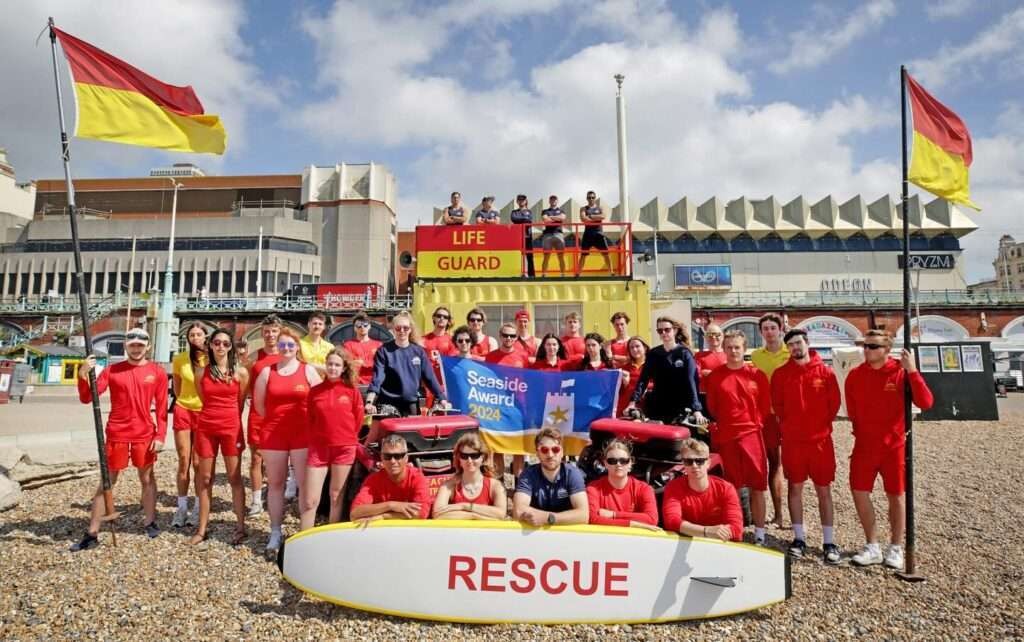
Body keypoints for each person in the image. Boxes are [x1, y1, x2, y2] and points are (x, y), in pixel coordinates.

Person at [72, 328, 167, 551]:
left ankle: (150, 521)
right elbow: (87, 398)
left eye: (140, 345)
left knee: (147, 479)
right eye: (132, 345)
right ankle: (92, 532)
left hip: (144, 433)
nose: (136, 348)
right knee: (107, 482)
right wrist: (82, 374)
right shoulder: (112, 370)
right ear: (126, 346)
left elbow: (162, 409)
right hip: (117, 433)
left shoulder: (158, 372)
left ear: (148, 347)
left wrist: (161, 435)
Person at [845, 330, 934, 569]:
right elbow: (852, 409)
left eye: (873, 346)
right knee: (858, 490)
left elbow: (925, 402)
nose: (867, 350)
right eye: (865, 345)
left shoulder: (901, 373)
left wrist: (913, 370)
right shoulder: (855, 375)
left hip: (893, 446)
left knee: (896, 495)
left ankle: (895, 547)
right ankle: (872, 545)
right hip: (864, 445)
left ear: (886, 349)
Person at [771, 328, 842, 563]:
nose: (795, 348)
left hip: (820, 442)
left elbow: (834, 405)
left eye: (799, 343)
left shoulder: (826, 372)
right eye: (790, 344)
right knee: (795, 489)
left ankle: (829, 542)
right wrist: (792, 428)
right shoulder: (781, 375)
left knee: (824, 491)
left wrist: (817, 426)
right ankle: (799, 538)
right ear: (787, 348)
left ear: (807, 343)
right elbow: (778, 407)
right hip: (793, 443)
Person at [253, 326, 322, 554]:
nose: (286, 348)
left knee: (303, 484)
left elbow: (319, 401)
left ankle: (304, 531)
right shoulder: (267, 372)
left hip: (302, 433)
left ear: (297, 348)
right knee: (275, 484)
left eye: (290, 345)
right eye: (282, 345)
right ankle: (275, 531)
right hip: (274, 433)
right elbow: (260, 405)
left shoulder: (308, 371)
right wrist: (276, 420)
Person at [705, 330, 771, 545]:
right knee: (731, 487)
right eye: (729, 347)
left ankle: (760, 534)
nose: (733, 351)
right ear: (724, 349)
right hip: (727, 436)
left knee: (758, 486)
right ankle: (736, 530)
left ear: (744, 349)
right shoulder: (716, 376)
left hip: (751, 435)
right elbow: (713, 407)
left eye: (737, 347)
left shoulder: (756, 375)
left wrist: (753, 423)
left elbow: (764, 406)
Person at [191, 328, 249, 546]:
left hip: (230, 428)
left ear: (231, 346)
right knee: (205, 479)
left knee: (234, 477)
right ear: (210, 345)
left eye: (226, 343)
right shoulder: (201, 373)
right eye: (217, 343)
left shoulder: (240, 373)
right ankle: (202, 528)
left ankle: (241, 526)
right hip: (206, 427)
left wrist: (230, 418)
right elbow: (202, 397)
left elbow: (241, 401)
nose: (221, 347)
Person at [301, 349, 364, 530]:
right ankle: (305, 536)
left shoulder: (352, 391)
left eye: (337, 365)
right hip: (318, 449)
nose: (333, 368)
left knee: (336, 495)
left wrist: (347, 438)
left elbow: (358, 419)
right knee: (310, 499)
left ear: (344, 368)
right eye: (330, 364)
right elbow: (310, 419)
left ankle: (330, 532)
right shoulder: (315, 391)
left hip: (344, 448)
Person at [365, 311, 448, 418]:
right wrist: (369, 401)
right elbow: (378, 377)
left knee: (413, 434)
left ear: (410, 329)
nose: (402, 331)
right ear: (393, 330)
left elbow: (430, 378)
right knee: (377, 434)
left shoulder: (419, 352)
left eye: (405, 328)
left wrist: (442, 399)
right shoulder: (384, 351)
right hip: (387, 404)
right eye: (398, 328)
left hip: (411, 404)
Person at [625, 316, 705, 424]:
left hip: (680, 406)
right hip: (658, 406)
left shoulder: (684, 353)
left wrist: (696, 410)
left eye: (667, 330)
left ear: (675, 330)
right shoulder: (654, 354)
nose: (664, 333)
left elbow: (692, 382)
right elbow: (643, 380)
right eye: (660, 330)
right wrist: (633, 402)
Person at [662, 438, 744, 541]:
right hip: (686, 542)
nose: (694, 466)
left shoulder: (726, 489)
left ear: (708, 463)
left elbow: (737, 529)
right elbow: (672, 521)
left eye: (699, 461)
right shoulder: (673, 487)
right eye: (689, 461)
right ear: (683, 464)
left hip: (718, 543)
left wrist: (711, 533)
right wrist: (706, 531)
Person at [751, 313, 789, 529]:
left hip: (790, 416)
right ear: (761, 332)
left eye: (772, 328)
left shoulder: (790, 353)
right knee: (774, 463)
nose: (769, 332)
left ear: (780, 329)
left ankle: (796, 515)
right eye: (765, 328)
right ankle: (778, 514)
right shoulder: (756, 357)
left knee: (793, 465)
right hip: (768, 416)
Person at [244, 314, 283, 517]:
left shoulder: (287, 355)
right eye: (267, 331)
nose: (270, 335)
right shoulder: (253, 358)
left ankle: (278, 493)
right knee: (256, 457)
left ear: (280, 332)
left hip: (281, 414)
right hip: (258, 413)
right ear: (262, 333)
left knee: (279, 457)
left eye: (274, 331)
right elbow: (244, 385)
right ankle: (256, 500)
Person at [513, 428, 589, 526]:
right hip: (535, 533)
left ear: (562, 452)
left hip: (566, 533)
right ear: (537, 453)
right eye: (544, 450)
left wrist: (549, 518)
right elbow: (518, 511)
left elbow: (583, 515)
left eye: (555, 449)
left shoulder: (573, 474)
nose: (550, 454)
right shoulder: (528, 475)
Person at [170, 322, 206, 528]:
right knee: (184, 460)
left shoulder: (210, 359)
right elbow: (176, 385)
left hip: (203, 411)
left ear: (205, 337)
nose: (195, 338)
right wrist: (184, 400)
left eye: (198, 334)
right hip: (184, 409)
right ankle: (181, 506)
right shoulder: (179, 359)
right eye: (191, 335)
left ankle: (198, 506)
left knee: (198, 462)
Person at [350, 434, 431, 521]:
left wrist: (383, 516)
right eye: (387, 456)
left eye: (397, 456)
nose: (392, 461)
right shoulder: (373, 480)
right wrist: (391, 505)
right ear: (381, 458)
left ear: (406, 458)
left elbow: (422, 513)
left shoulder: (417, 477)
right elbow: (355, 513)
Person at [432, 433, 507, 520]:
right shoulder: (448, 486)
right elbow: (437, 514)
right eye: (464, 456)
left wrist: (465, 506)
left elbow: (501, 514)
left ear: (483, 458)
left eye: (474, 456)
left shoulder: (495, 486)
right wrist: (473, 516)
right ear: (459, 458)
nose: (469, 461)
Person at [586, 440, 658, 530]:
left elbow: (652, 519)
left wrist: (613, 515)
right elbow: (593, 519)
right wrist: (634, 524)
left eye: (623, 461)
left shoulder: (644, 488)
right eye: (612, 461)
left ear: (630, 463)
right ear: (605, 463)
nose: (618, 464)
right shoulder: (593, 488)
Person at [575, 190, 612, 276]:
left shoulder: (600, 208)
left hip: (599, 233)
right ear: (586, 198)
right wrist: (596, 219)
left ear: (595, 198)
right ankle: (578, 274)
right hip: (588, 234)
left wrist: (590, 216)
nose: (591, 199)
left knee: (606, 253)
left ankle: (611, 272)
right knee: (583, 255)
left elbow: (603, 216)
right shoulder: (583, 208)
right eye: (589, 197)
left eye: (592, 197)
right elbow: (583, 219)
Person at [343, 311, 382, 387]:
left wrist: (362, 363)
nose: (362, 327)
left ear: (369, 326)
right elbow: (348, 364)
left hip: (375, 383)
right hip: (356, 384)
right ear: (354, 328)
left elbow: (381, 365)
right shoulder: (348, 345)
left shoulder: (379, 345)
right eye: (358, 325)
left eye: (365, 325)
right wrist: (370, 364)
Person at [695, 323, 727, 412]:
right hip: (704, 396)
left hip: (725, 396)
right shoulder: (699, 356)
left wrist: (710, 373)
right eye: (710, 334)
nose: (713, 337)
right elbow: (696, 374)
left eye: (717, 334)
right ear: (705, 337)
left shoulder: (729, 355)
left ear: (722, 336)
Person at [618, 336, 649, 417]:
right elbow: (617, 391)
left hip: (647, 407)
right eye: (631, 348)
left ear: (645, 347)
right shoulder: (624, 368)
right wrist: (624, 383)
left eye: (637, 346)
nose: (634, 350)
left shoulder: (652, 366)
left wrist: (647, 387)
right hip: (627, 409)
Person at [539, 195, 567, 276]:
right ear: (549, 201)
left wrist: (551, 217)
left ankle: (563, 274)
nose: (553, 201)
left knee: (561, 256)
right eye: (551, 199)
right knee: (546, 256)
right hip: (548, 234)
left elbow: (562, 218)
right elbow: (545, 220)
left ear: (557, 201)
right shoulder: (545, 211)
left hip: (558, 234)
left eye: (555, 199)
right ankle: (544, 274)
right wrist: (556, 218)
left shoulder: (561, 211)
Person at [510, 194, 535, 277]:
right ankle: (520, 273)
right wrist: (524, 219)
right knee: (518, 256)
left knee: (529, 256)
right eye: (519, 200)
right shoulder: (514, 212)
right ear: (517, 201)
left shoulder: (529, 211)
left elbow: (529, 221)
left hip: (527, 236)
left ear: (525, 201)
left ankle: (531, 275)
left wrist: (521, 220)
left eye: (523, 200)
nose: (521, 201)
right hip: (517, 237)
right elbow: (514, 219)